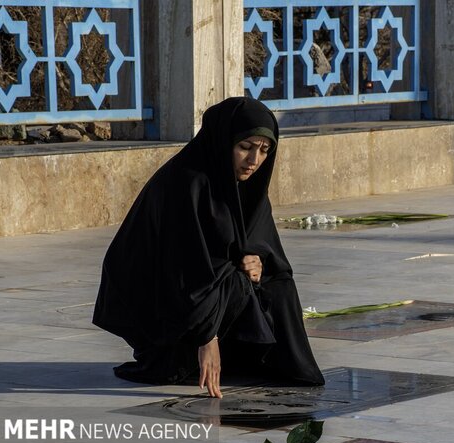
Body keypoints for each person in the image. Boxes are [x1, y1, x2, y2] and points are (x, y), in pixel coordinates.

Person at [92, 97, 325, 397]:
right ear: (222, 141)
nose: (254, 161)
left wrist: (257, 263)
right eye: (245, 147)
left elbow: (258, 250)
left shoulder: (245, 186)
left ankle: (259, 359)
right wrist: (208, 336)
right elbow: (182, 272)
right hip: (160, 306)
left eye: (264, 150)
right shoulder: (186, 183)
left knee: (277, 284)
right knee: (235, 282)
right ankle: (179, 356)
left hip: (206, 296)